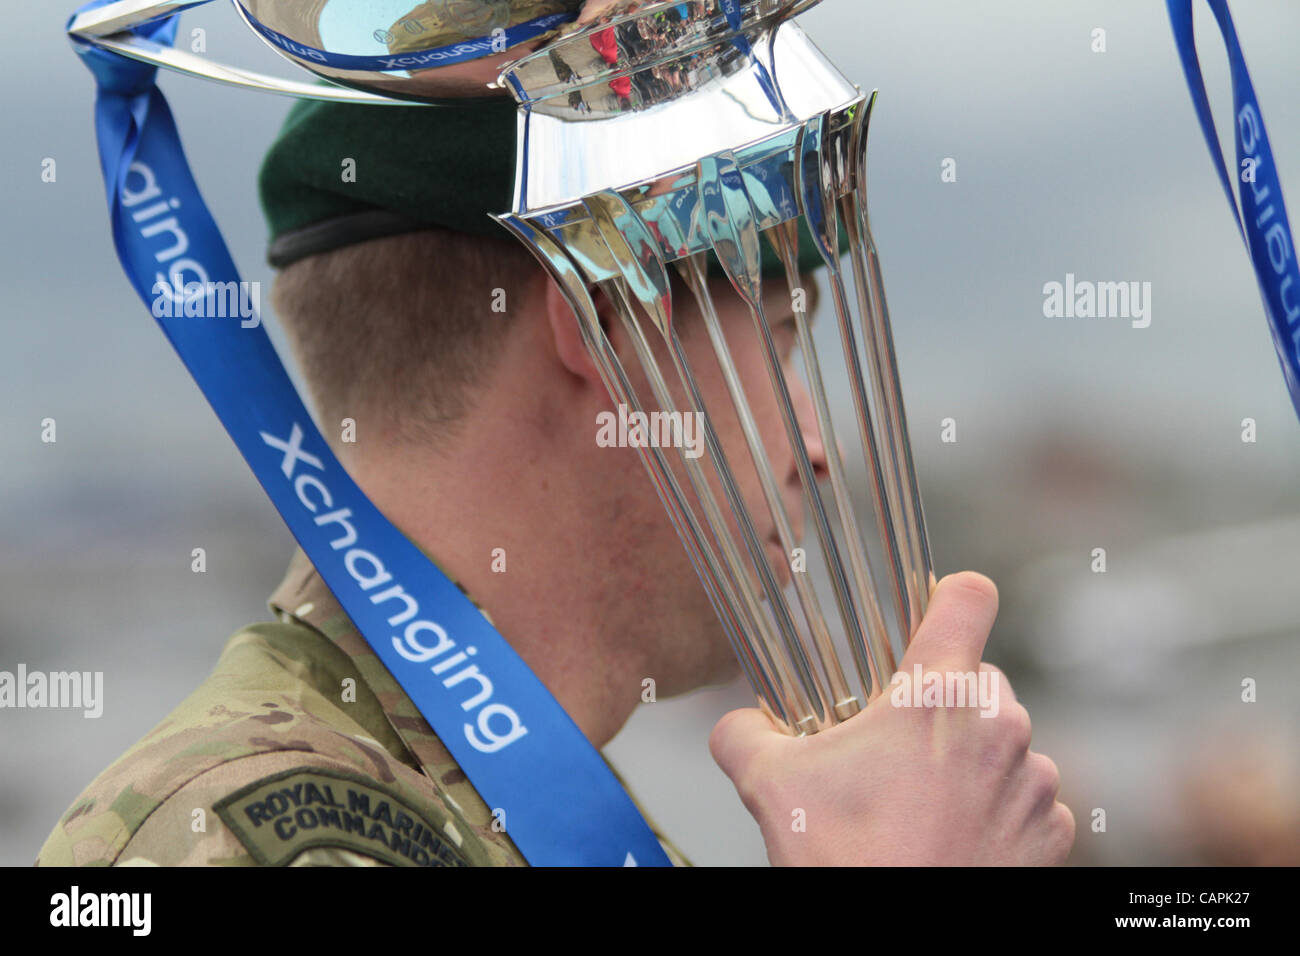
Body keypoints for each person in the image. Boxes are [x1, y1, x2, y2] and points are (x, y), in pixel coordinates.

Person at [37, 84, 1073, 869]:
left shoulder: (510, 809)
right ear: (606, 331)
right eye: (780, 335)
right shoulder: (255, 829)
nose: (817, 444)